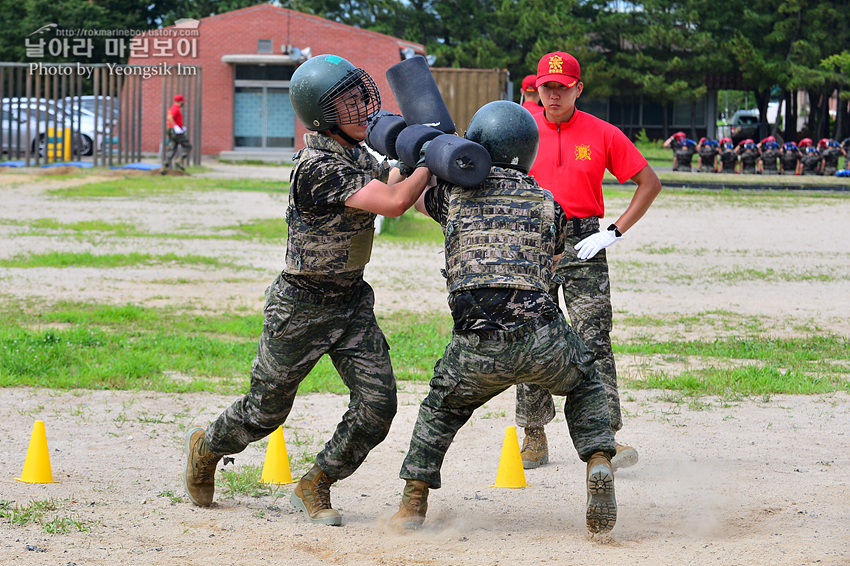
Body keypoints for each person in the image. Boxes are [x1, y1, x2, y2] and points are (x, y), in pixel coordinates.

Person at [182, 54, 432, 526]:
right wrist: (427, 154)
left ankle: (316, 482)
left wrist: (419, 157)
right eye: (350, 102)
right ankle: (208, 445)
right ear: (322, 116)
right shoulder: (318, 167)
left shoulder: (356, 155)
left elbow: (397, 186)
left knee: (379, 407)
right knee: (264, 413)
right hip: (300, 307)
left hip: (351, 303)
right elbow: (396, 202)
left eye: (362, 96)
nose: (362, 108)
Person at [390, 100, 618, 535]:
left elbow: (412, 196)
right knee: (587, 382)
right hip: (541, 337)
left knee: (440, 408)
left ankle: (412, 502)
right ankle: (598, 461)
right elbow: (551, 259)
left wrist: (422, 156)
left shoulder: (452, 195)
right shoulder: (548, 202)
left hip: (476, 342)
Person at [515, 51, 662, 472]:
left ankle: (606, 439)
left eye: (563, 87)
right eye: (547, 87)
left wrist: (612, 233)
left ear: (578, 88)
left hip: (585, 244)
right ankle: (534, 434)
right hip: (532, 245)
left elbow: (648, 183)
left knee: (594, 339)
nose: (554, 95)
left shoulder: (602, 133)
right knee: (528, 339)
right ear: (538, 89)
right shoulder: (520, 129)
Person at [163, 94, 192, 173]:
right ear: (179, 101)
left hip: (171, 131)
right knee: (188, 146)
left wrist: (180, 127)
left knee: (172, 148)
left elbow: (170, 119)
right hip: (176, 132)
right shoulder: (176, 108)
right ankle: (180, 160)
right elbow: (170, 118)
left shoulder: (172, 108)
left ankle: (164, 167)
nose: (183, 103)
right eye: (182, 101)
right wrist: (176, 127)